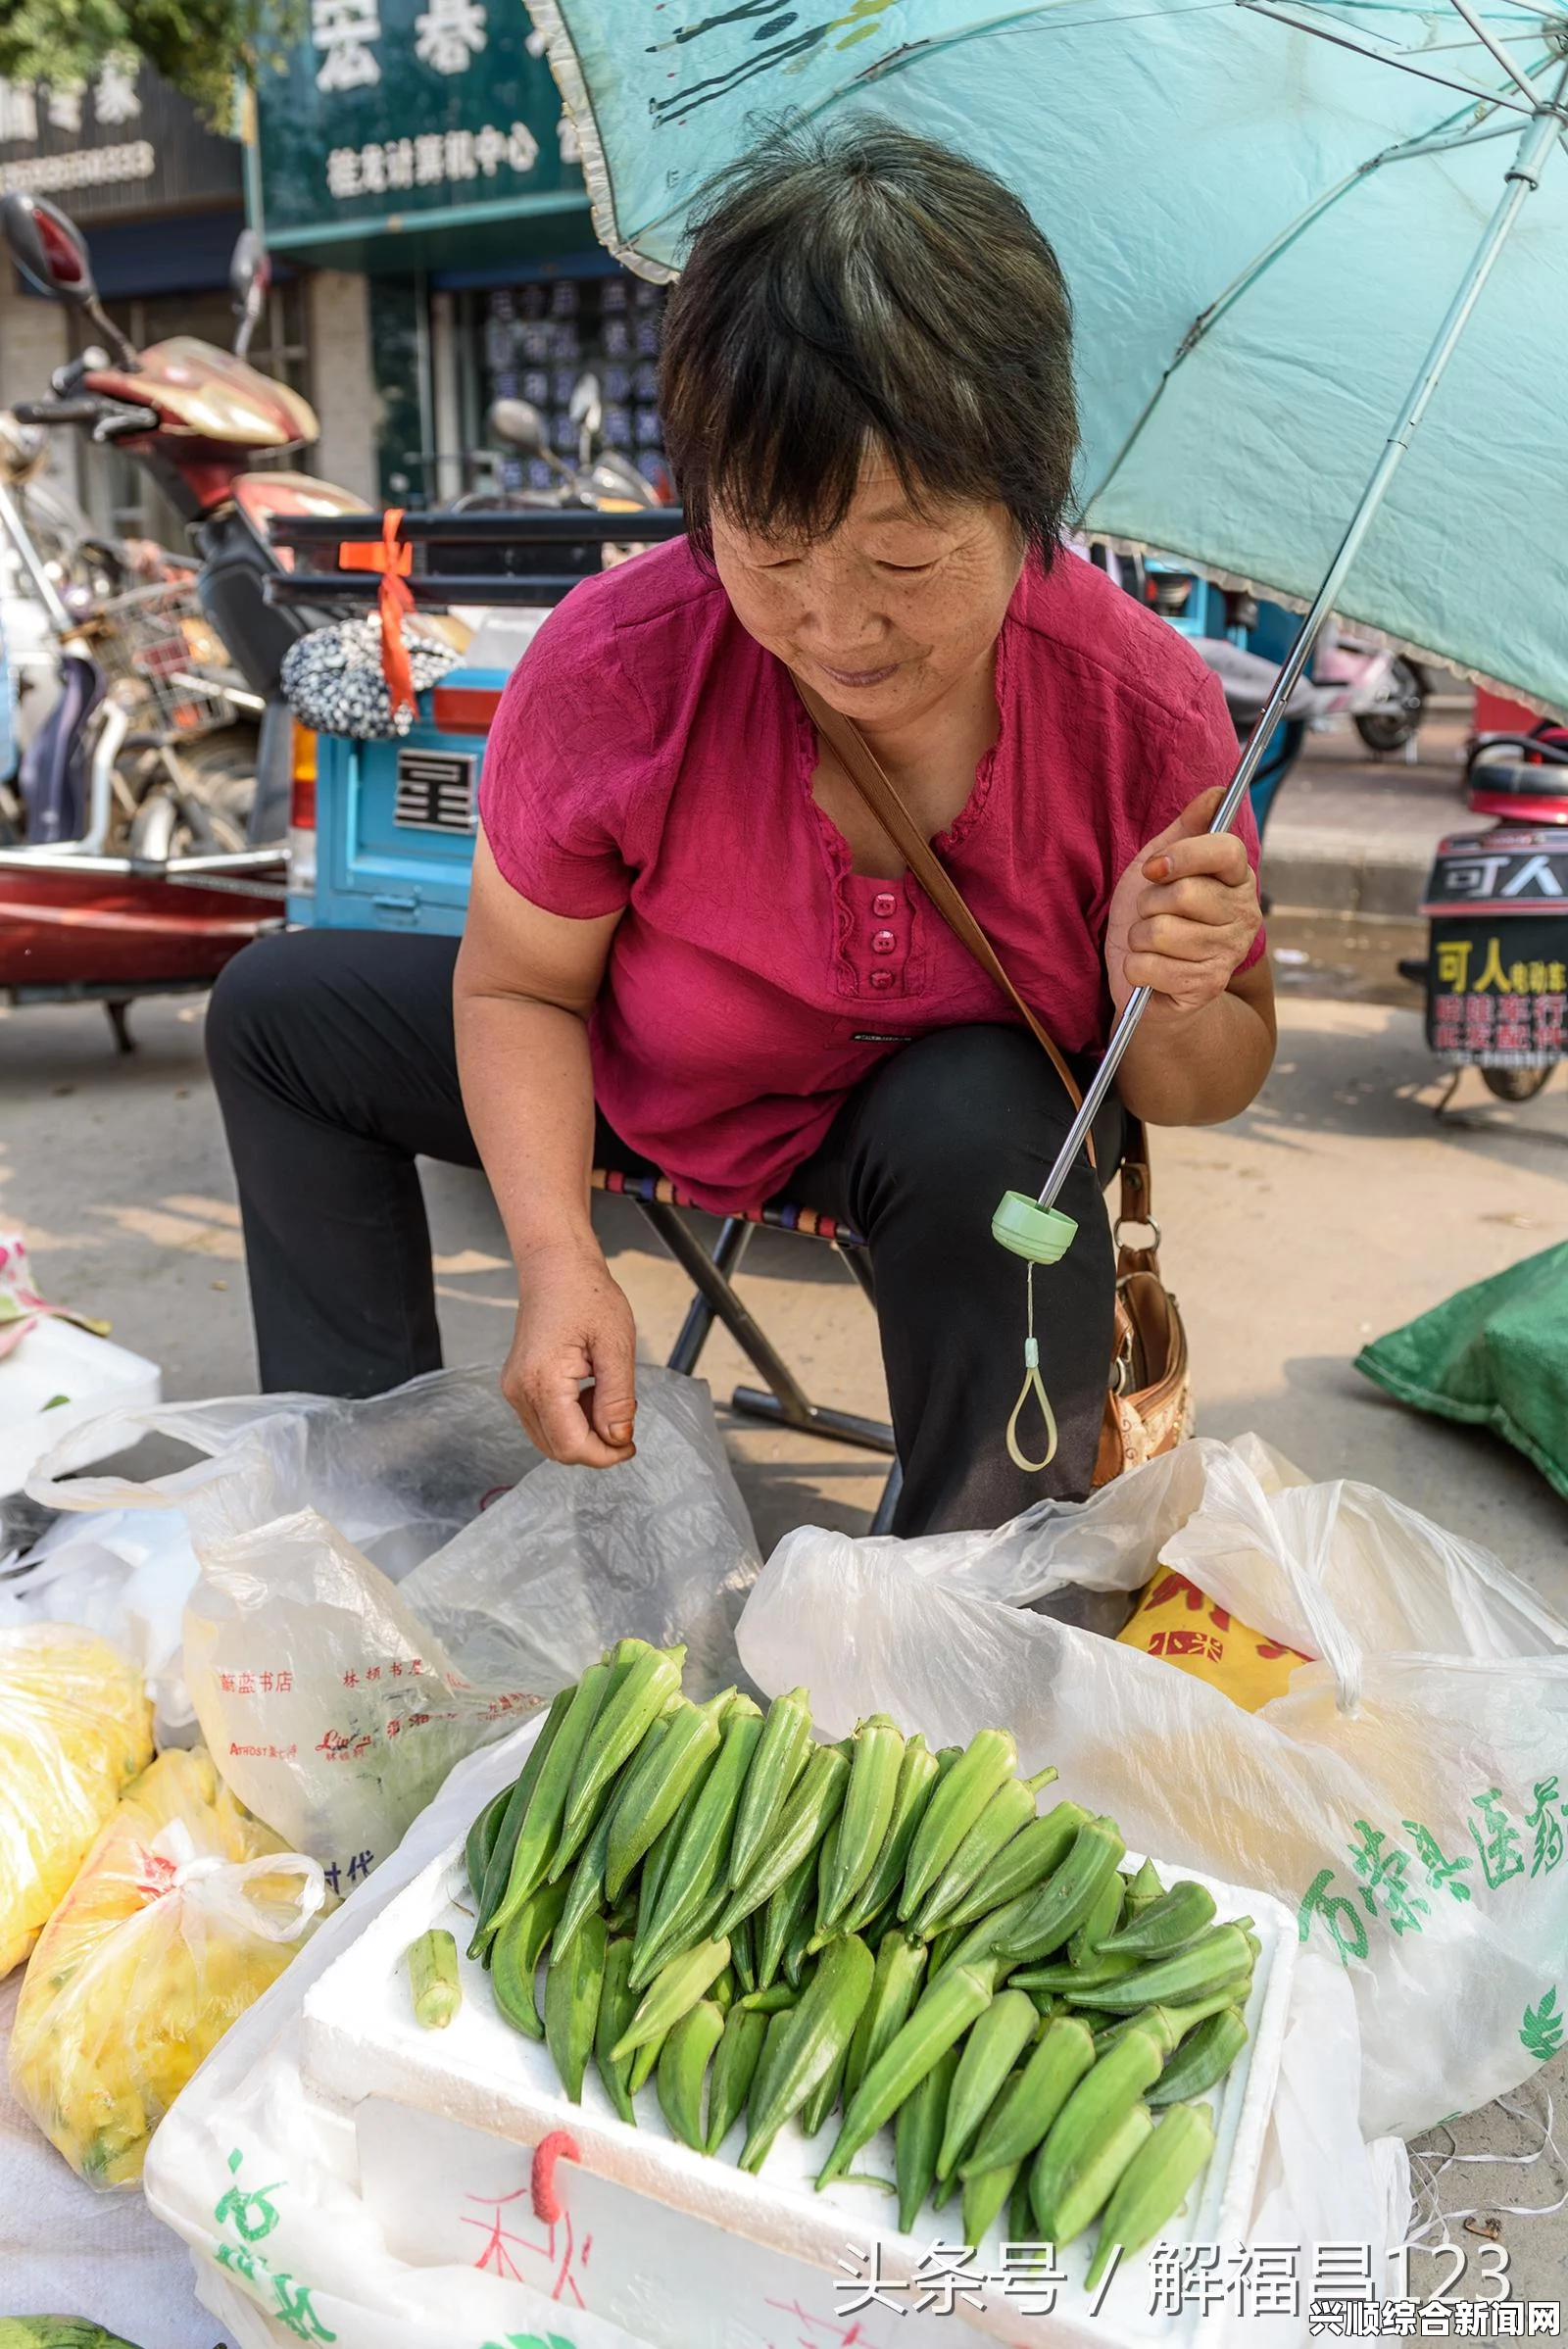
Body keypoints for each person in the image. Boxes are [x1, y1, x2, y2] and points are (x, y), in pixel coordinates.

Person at [207, 121, 1273, 1539]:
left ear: (1029, 497)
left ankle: (972, 1577)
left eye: (901, 557)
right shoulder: (613, 667)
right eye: (769, 551)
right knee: (278, 1009)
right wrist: (553, 1252)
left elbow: (1209, 1078)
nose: (837, 627)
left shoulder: (1144, 713)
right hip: (648, 1070)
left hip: (927, 1145)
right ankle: (377, 1510)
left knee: (1004, 1113)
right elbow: (523, 980)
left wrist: (1177, 989)